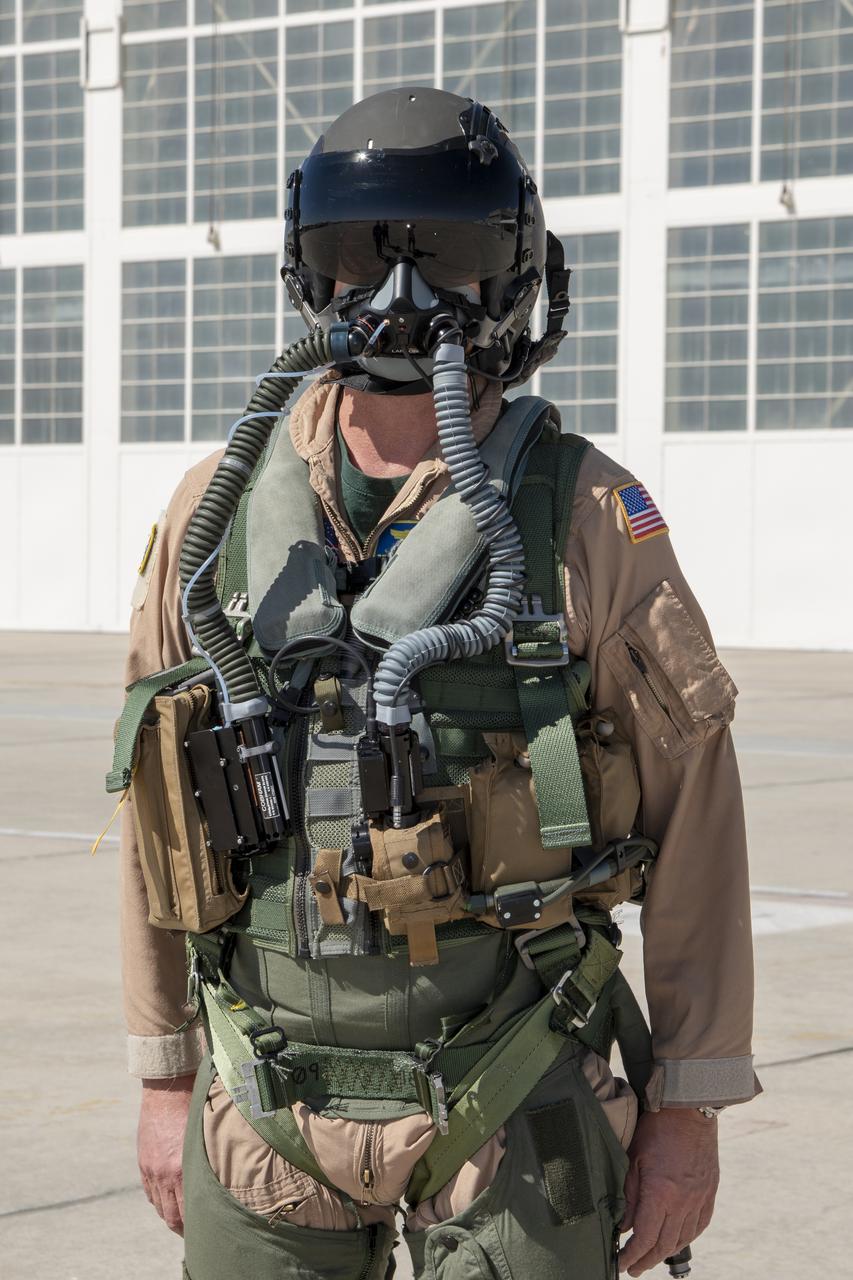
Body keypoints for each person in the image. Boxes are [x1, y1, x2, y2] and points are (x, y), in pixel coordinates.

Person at [116, 88, 758, 1280]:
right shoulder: (214, 511)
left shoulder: (586, 515)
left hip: (510, 1091)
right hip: (266, 1097)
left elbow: (695, 813)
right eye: (358, 255)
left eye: (449, 260)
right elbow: (152, 805)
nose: (401, 298)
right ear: (306, 274)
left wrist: (689, 1108)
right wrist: (164, 1074)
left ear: (513, 275)